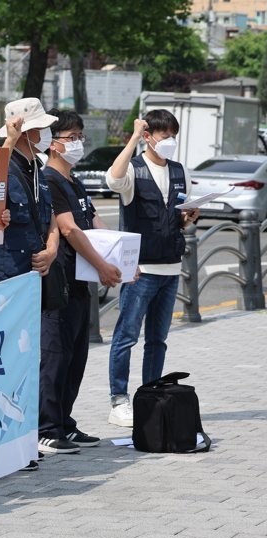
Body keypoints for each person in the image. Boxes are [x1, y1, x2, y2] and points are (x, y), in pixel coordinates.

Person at [104, 110, 197, 427]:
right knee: (126, 336)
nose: (170, 141)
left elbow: (178, 214)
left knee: (157, 340)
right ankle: (119, 400)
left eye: (173, 135)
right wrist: (131, 137)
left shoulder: (178, 170)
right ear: (148, 137)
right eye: (164, 135)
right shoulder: (134, 168)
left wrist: (188, 218)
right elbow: (113, 179)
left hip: (170, 268)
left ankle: (150, 395)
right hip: (140, 270)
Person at [39, 109, 123, 452]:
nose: (77, 144)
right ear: (53, 143)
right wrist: (103, 266)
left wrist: (122, 257)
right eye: (71, 138)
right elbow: (70, 229)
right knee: (55, 355)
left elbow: (93, 219)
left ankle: (65, 422)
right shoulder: (50, 179)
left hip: (81, 280)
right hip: (59, 280)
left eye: (79, 137)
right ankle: (45, 427)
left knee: (76, 355)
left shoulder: (73, 180)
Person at [0, 97, 60, 471]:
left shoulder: (38, 167)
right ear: (25, 131)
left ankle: (25, 439)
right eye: (39, 129)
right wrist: (7, 143)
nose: (45, 135)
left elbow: (50, 219)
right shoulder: (8, 163)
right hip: (8, 274)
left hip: (36, 273)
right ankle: (6, 443)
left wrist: (50, 249)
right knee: (7, 361)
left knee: (30, 357)